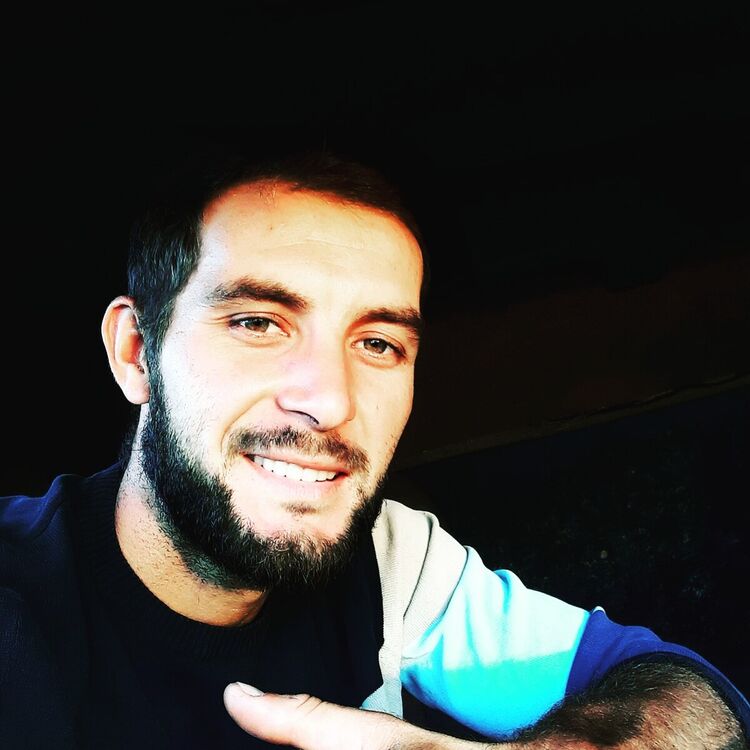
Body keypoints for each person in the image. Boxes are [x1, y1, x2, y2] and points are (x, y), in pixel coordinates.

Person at [1, 148, 748, 750]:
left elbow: (681, 688)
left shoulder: (393, 561)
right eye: (258, 323)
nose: (331, 401)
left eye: (379, 343)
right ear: (136, 352)